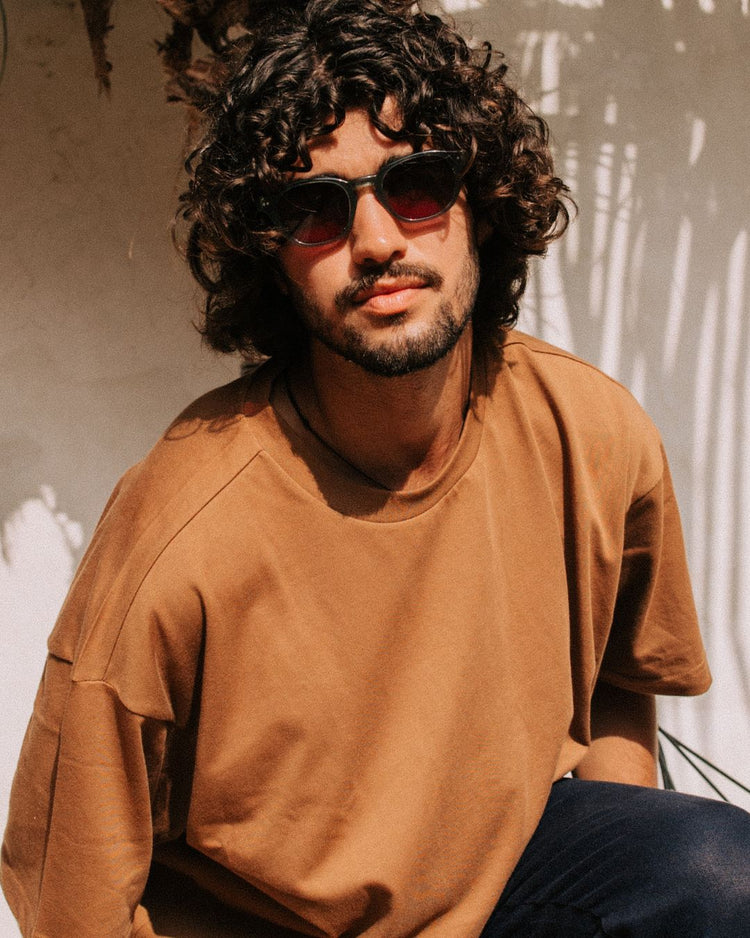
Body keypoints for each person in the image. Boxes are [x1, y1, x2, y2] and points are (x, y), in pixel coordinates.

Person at [3, 1, 749, 935]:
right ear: (269, 255)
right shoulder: (179, 535)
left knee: (722, 873)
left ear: (482, 203)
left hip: (508, 897)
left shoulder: (588, 432)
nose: (379, 241)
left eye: (417, 184)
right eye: (315, 208)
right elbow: (67, 891)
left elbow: (620, 683)